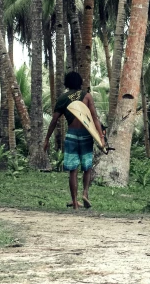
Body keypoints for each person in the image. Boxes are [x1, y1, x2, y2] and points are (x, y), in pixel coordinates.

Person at [43, 71, 105, 210]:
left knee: (73, 170)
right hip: (86, 134)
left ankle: (75, 202)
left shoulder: (63, 98)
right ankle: (85, 193)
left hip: (71, 135)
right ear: (79, 82)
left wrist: (47, 139)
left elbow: (53, 121)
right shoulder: (87, 96)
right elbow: (94, 118)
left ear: (67, 83)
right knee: (87, 167)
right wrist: (101, 137)